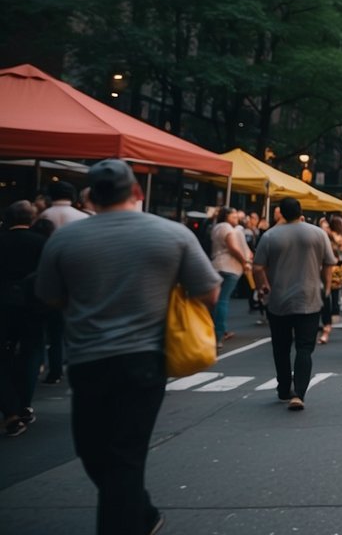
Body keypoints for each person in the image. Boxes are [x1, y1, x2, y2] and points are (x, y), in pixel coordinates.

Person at [35, 159, 220, 534]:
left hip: (87, 358)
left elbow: (48, 296)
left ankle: (133, 519)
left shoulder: (64, 239)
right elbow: (209, 291)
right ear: (136, 192)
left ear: (90, 196)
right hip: (144, 359)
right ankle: (142, 514)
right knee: (123, 455)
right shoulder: (172, 233)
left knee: (95, 451)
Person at [252, 197, 336, 411]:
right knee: (305, 347)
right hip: (309, 298)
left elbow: (258, 267)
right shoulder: (318, 233)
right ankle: (299, 393)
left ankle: (283, 387)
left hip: (278, 299)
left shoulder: (270, 235)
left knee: (280, 346)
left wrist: (263, 287)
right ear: (300, 211)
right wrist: (326, 287)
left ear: (280, 212)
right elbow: (329, 263)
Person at [0, 201, 48, 438]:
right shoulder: (42, 243)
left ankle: (10, 410)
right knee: (31, 352)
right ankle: (24, 405)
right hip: (33, 306)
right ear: (32, 220)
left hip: (3, 304)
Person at [34, 180, 89, 385]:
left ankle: (52, 369)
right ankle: (71, 364)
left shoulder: (44, 216)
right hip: (77, 278)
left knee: (51, 330)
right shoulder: (83, 218)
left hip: (48, 276)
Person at [209, 207, 251, 348]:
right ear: (226, 217)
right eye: (233, 216)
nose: (236, 219)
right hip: (230, 267)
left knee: (215, 300)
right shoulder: (228, 228)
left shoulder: (216, 228)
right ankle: (219, 334)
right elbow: (233, 247)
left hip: (216, 265)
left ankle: (213, 330)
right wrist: (244, 262)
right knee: (222, 301)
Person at [321, 215, 342, 345]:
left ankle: (327, 324)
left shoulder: (335, 238)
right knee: (330, 297)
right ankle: (328, 324)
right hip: (333, 270)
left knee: (328, 297)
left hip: (329, 270)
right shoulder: (338, 238)